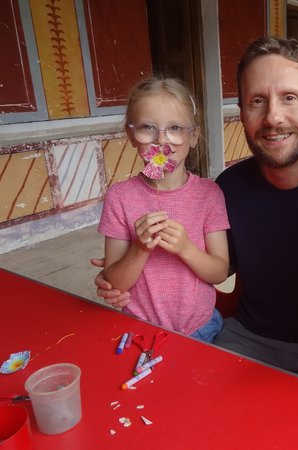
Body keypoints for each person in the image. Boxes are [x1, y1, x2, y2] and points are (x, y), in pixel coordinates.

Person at [96, 38, 298, 390]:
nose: (273, 117)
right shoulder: (229, 188)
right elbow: (214, 269)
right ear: (241, 114)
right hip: (245, 338)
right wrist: (125, 271)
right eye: (257, 101)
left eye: (289, 98)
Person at [98, 76, 230, 343]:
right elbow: (115, 282)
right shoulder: (120, 197)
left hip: (201, 327)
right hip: (140, 331)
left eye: (175, 128)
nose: (161, 140)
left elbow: (218, 272)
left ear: (193, 136)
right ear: (131, 135)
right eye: (147, 127)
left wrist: (185, 248)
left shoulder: (209, 195)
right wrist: (140, 247)